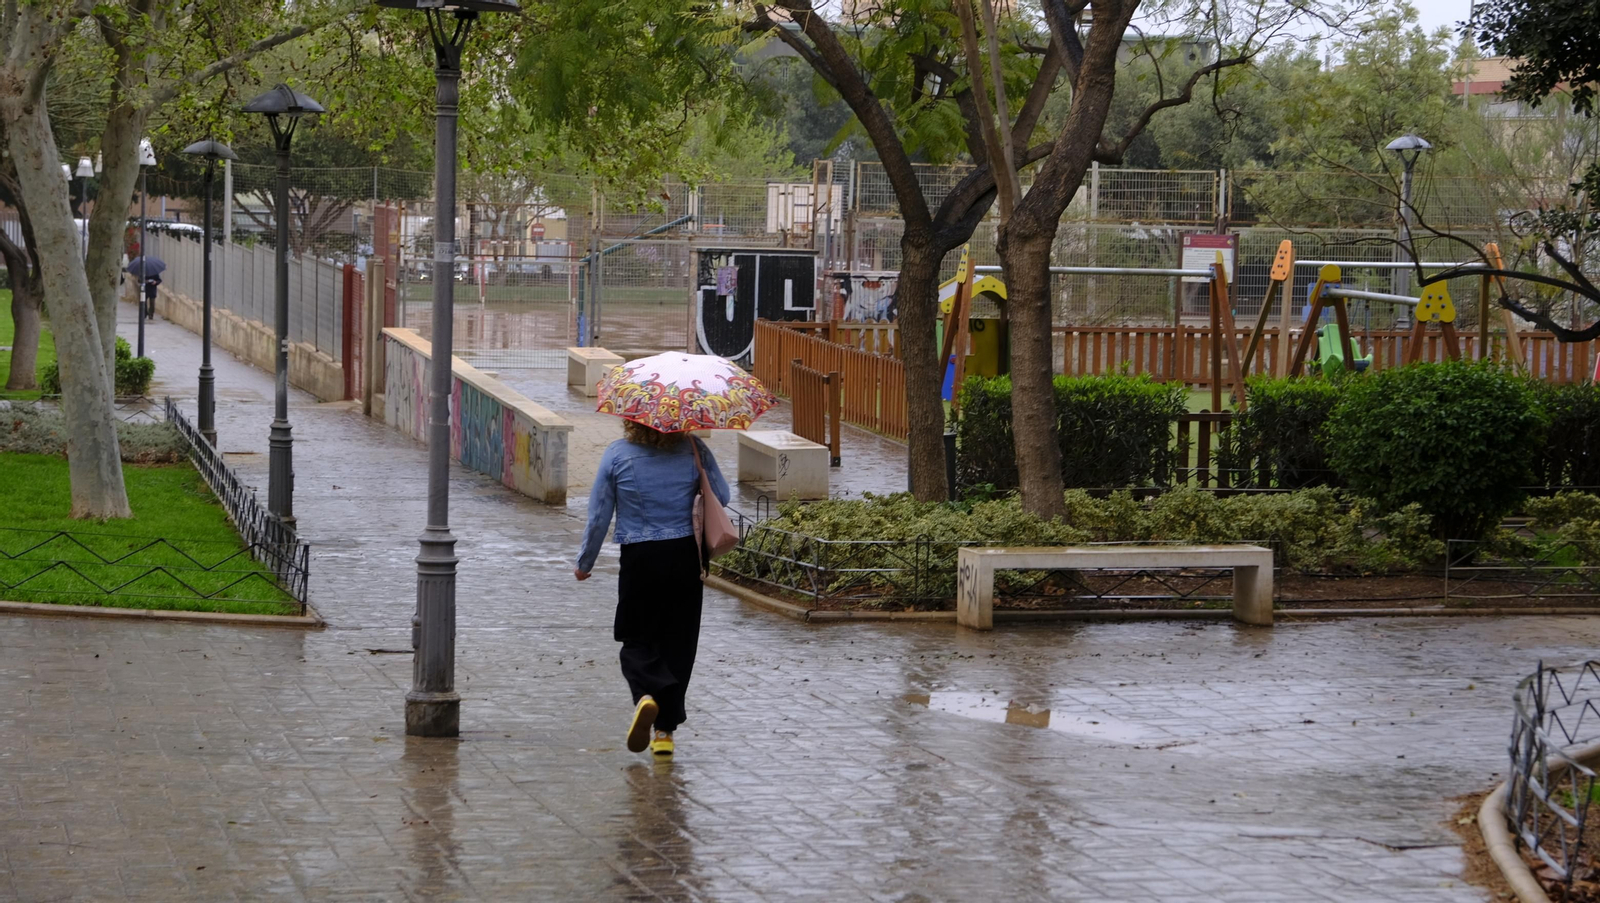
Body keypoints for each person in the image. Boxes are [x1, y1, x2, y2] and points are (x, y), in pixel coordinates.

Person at [575, 419, 731, 758]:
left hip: (640, 557)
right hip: (686, 556)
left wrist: (585, 562)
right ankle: (664, 733)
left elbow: (600, 513)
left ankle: (646, 694)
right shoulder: (694, 449)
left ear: (631, 419)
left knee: (635, 636)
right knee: (679, 641)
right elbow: (722, 495)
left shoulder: (618, 454)